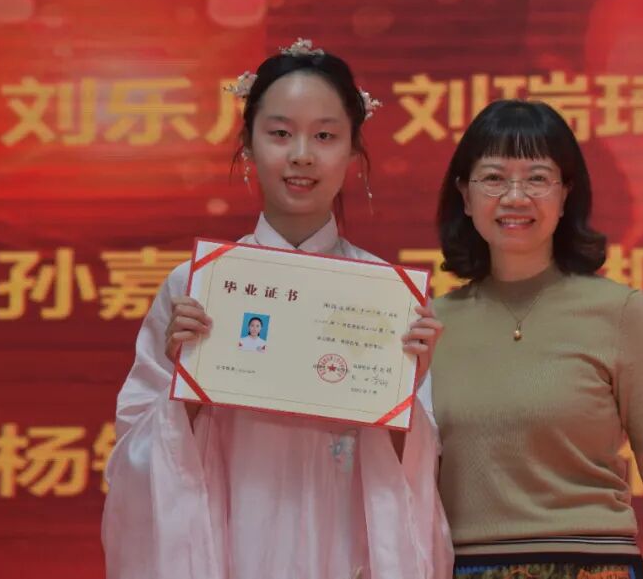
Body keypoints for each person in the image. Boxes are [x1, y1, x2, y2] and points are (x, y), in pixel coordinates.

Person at [102, 38, 453, 579]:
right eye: (281, 133)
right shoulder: (197, 288)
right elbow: (137, 458)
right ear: (247, 144)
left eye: (325, 136)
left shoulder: (389, 299)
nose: (302, 155)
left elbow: (414, 479)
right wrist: (183, 386)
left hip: (345, 552)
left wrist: (406, 393)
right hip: (231, 547)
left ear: (354, 151)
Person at [431, 100, 643, 579]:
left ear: (565, 194)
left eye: (537, 178)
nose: (515, 196)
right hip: (467, 565)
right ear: (465, 197)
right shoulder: (431, 324)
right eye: (493, 178)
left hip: (595, 565)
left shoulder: (618, 311)